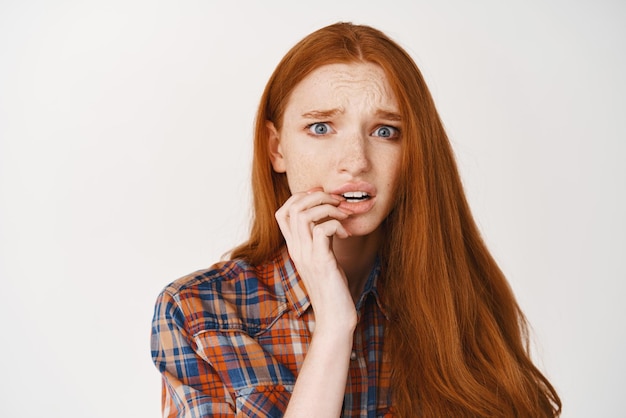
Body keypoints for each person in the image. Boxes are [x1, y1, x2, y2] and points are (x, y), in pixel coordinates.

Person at [150, 22, 562, 417]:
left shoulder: (463, 300)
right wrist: (333, 326)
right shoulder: (198, 312)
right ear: (277, 149)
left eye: (385, 132)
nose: (356, 162)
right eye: (321, 127)